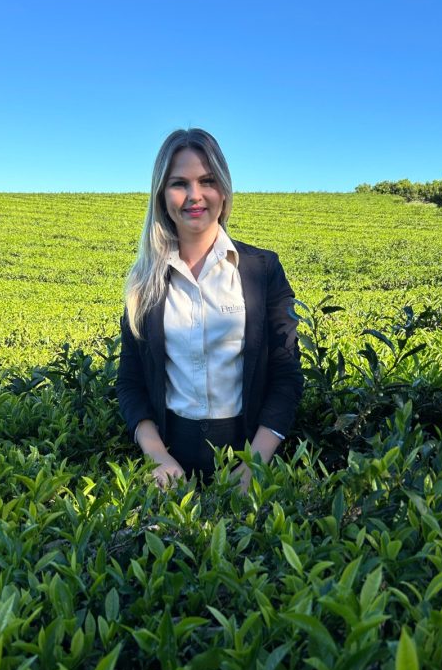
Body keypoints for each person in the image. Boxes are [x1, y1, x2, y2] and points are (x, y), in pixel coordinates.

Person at [116, 128, 303, 491]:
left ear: (224, 190)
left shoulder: (263, 270)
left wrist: (255, 463)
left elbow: (286, 375)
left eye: (207, 181)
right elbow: (130, 382)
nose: (194, 196)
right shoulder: (144, 281)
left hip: (249, 458)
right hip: (170, 467)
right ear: (161, 195)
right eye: (178, 183)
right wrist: (159, 459)